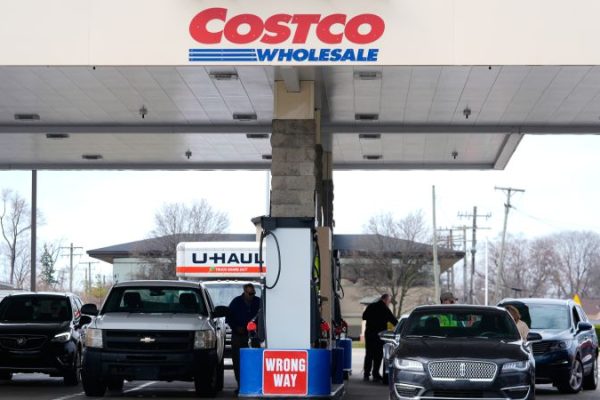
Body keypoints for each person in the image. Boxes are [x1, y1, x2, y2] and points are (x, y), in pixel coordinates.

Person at [227, 283, 261, 392]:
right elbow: (229, 318)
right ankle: (240, 385)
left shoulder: (258, 302)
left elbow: (263, 317)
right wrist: (236, 327)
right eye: (250, 293)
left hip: (254, 337)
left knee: (254, 361)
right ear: (244, 292)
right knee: (238, 361)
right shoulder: (236, 302)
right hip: (238, 336)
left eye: (253, 293)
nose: (252, 295)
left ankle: (254, 385)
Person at [362, 294, 398, 382]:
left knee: (369, 354)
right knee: (378, 354)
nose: (389, 303)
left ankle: (366, 374)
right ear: (385, 300)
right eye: (389, 301)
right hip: (379, 335)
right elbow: (394, 321)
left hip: (369, 333)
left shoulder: (371, 306)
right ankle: (375, 374)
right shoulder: (385, 308)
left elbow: (364, 317)